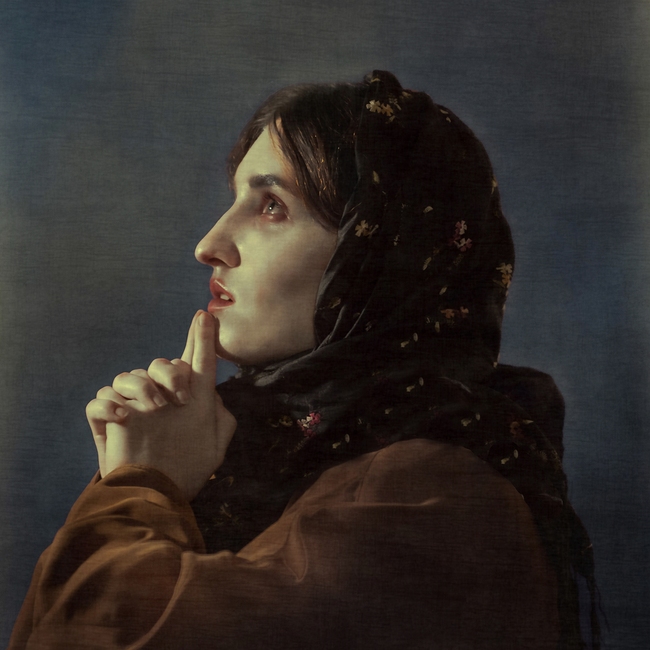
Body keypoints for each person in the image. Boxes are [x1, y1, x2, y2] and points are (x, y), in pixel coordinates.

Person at [9, 71, 598, 649]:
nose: (209, 245)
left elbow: (93, 634)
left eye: (272, 207)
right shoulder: (261, 445)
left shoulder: (432, 496)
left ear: (378, 256)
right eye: (236, 200)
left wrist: (141, 483)